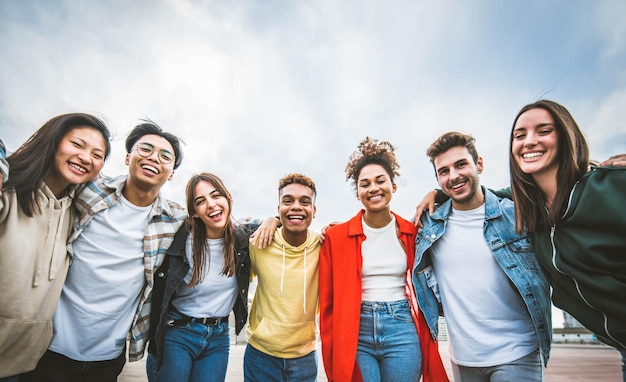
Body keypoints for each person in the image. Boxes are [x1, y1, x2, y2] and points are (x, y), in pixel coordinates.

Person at [21, 121, 186, 381]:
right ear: (128, 156)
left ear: (172, 173)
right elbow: (40, 170)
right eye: (146, 149)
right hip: (49, 344)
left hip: (108, 355)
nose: (154, 157)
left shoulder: (175, 218)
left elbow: (225, 226)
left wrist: (273, 221)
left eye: (165, 156)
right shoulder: (89, 188)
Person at [413, 132, 551, 382]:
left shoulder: (516, 214)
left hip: (517, 352)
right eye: (443, 171)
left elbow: (555, 189)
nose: (453, 175)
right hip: (464, 359)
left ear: (479, 165)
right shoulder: (430, 227)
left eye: (461, 164)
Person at [509, 100, 626, 379]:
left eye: (543, 131)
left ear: (566, 136)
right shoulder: (532, 209)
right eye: (519, 135)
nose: (529, 141)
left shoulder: (612, 185)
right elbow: (483, 196)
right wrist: (441, 195)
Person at [319, 137, 448, 382]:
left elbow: (458, 203)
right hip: (356, 331)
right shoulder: (336, 237)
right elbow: (326, 304)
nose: (373, 188)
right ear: (358, 193)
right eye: (364, 184)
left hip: (401, 327)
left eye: (381, 181)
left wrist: (436, 193)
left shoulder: (413, 233)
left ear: (393, 186)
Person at [0, 113, 111, 381]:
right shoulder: (8, 194)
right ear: (52, 142)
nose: (86, 158)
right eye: (77, 144)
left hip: (21, 365)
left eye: (97, 155)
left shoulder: (80, 214)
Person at [146, 172, 279, 382]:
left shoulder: (243, 238)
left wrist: (274, 219)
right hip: (177, 333)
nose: (211, 204)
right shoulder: (180, 238)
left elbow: (279, 227)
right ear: (195, 212)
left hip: (218, 337)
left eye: (216, 196)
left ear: (228, 199)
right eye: (201, 201)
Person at [243, 173, 321, 382]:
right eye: (288, 201)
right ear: (279, 209)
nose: (296, 206)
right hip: (260, 355)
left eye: (304, 202)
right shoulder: (259, 242)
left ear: (314, 211)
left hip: (304, 357)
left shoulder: (324, 246)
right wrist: (270, 221)